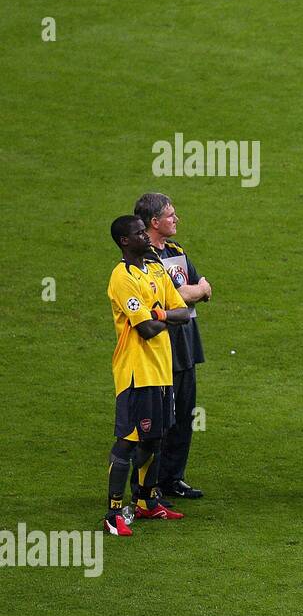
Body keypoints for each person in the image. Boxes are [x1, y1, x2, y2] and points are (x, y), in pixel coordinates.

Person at [104, 215, 192, 536]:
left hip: (161, 369)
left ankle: (145, 502)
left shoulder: (155, 268)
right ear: (125, 241)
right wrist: (164, 316)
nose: (146, 236)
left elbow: (184, 311)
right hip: (134, 373)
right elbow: (145, 328)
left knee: (155, 438)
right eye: (139, 233)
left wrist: (160, 313)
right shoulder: (121, 277)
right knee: (128, 441)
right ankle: (113, 513)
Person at [134, 193, 211, 500]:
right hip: (161, 345)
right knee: (162, 418)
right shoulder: (145, 258)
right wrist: (197, 290)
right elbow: (177, 298)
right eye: (170, 215)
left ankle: (172, 478)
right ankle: (148, 486)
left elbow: (200, 288)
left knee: (184, 416)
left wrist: (196, 290)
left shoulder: (175, 251)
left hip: (186, 342)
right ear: (154, 222)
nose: (176, 219)